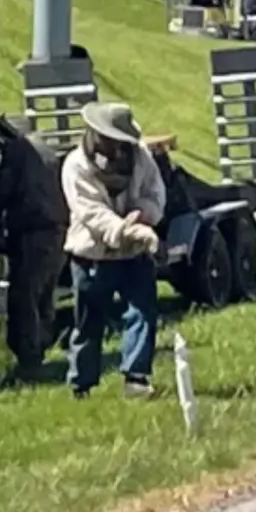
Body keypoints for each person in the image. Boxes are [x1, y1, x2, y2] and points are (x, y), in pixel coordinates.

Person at [61, 102, 167, 399]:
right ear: (99, 135)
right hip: (92, 255)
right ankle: (81, 385)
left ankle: (136, 379)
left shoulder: (141, 157)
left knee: (142, 312)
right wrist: (127, 230)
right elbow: (90, 212)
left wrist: (144, 213)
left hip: (134, 254)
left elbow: (155, 193)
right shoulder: (76, 165)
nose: (121, 148)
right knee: (88, 322)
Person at [0, 114, 69, 382]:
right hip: (58, 230)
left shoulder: (19, 151)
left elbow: (3, 191)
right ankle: (40, 348)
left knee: (24, 296)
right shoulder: (48, 148)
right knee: (44, 294)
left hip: (33, 232)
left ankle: (29, 362)